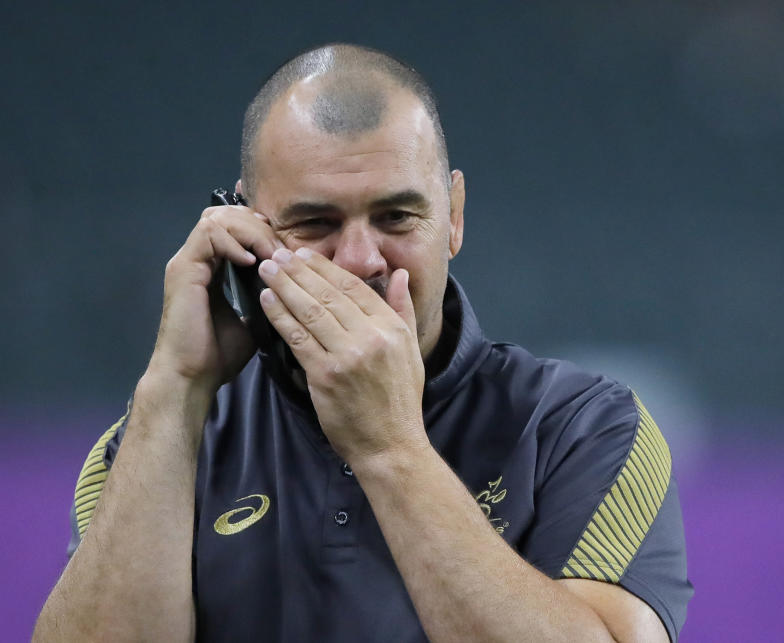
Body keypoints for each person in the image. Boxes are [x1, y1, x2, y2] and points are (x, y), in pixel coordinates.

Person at [34, 43, 693, 642]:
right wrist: (175, 385)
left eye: (396, 216)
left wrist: (389, 446)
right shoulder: (154, 441)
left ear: (454, 216)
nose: (359, 259)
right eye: (314, 221)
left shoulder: (588, 429)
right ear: (244, 227)